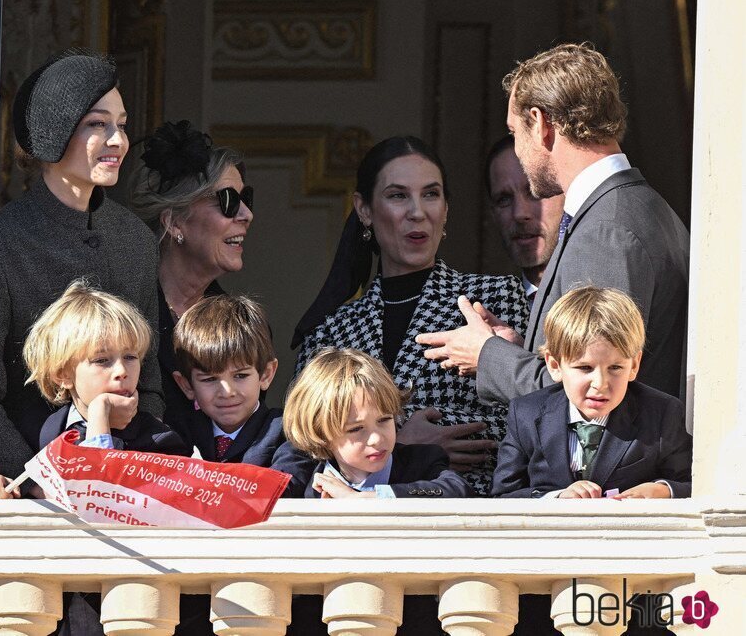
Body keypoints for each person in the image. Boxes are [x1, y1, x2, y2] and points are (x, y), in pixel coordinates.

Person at [418, 43, 689, 402]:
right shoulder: (640, 207)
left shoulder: (606, 232)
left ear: (542, 124)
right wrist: (521, 348)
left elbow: (587, 399)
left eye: (515, 133)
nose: (516, 149)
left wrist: (488, 355)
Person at [0, 51, 164, 497]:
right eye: (97, 124)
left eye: (122, 125)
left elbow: (153, 382)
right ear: (54, 132)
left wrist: (135, 463)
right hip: (31, 494)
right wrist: (41, 481)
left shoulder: (135, 241)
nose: (118, 141)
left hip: (128, 490)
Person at [0, 280, 188, 636]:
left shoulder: (160, 439)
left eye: (131, 357)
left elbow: (105, 494)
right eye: (102, 360)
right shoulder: (33, 433)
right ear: (63, 374)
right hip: (44, 612)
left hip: (123, 610)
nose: (122, 371)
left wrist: (101, 418)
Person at [293, 136, 529, 495]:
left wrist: (416, 446)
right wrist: (397, 442)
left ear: (446, 209)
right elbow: (302, 443)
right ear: (365, 209)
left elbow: (533, 417)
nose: (417, 211)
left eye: (431, 194)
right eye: (398, 195)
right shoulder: (329, 333)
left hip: (468, 515)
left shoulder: (494, 297)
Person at [492, 286, 692, 499]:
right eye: (585, 368)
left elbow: (692, 483)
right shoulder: (526, 414)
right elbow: (504, 494)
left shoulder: (661, 414)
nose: (600, 383)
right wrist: (556, 498)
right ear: (554, 365)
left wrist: (663, 490)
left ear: (634, 365)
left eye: (615, 368)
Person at [127, 120, 254, 428]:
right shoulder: (123, 308)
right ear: (174, 223)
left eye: (246, 199)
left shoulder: (241, 323)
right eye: (228, 201)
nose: (246, 215)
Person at [170, 294, 315, 497]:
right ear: (186, 385)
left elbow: (285, 487)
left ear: (266, 374)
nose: (227, 392)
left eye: (240, 375)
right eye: (210, 379)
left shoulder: (289, 431)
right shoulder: (176, 433)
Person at [283, 348, 472, 499]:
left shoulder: (422, 461)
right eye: (356, 429)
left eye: (384, 420)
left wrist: (371, 498)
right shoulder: (309, 479)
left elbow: (457, 489)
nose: (376, 438)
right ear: (322, 434)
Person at [485, 134, 565, 304]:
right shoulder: (487, 311)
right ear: (493, 214)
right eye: (504, 199)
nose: (520, 214)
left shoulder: (611, 296)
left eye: (535, 193)